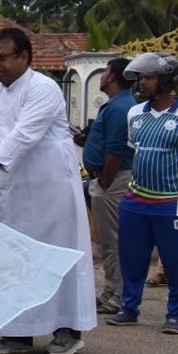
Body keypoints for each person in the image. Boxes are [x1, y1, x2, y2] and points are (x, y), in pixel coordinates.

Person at [0, 27, 97, 354]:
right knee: (13, 258)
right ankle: (18, 332)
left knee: (57, 256)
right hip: (14, 190)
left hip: (51, 188)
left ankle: (67, 330)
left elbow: (23, 136)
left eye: (2, 58)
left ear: (24, 57)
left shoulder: (43, 88)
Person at [104, 53, 178, 335]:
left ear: (166, 80)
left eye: (149, 77)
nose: (142, 82)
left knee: (176, 263)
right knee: (132, 259)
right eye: (140, 77)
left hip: (172, 204)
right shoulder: (134, 114)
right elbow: (136, 150)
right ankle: (129, 309)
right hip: (134, 201)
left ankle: (175, 314)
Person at [72, 60, 134, 312]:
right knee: (107, 241)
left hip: (112, 180)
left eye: (105, 70)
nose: (102, 75)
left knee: (113, 241)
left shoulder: (120, 107)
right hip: (108, 179)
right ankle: (110, 290)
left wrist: (105, 181)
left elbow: (116, 150)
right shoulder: (115, 104)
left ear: (112, 77)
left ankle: (118, 296)